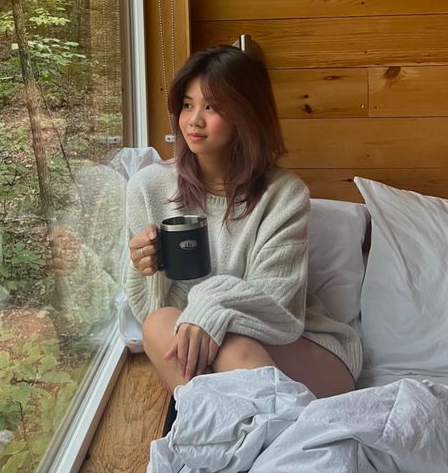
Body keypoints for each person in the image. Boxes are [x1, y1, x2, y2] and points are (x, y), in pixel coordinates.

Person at [125, 45, 362, 399]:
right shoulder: (149, 187)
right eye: (187, 105)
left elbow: (279, 306)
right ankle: (248, 436)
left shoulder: (284, 194)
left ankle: (241, 433)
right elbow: (152, 314)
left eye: (212, 106)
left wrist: (208, 305)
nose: (194, 120)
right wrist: (146, 269)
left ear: (244, 113)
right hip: (204, 357)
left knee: (233, 346)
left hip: (301, 347)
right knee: (158, 324)